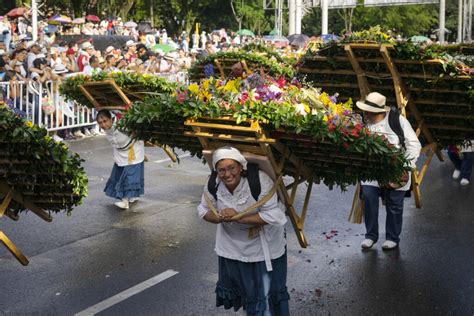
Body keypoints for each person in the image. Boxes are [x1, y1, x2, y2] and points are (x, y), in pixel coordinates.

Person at [197, 146, 290, 315]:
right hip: (232, 249)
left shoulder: (259, 181)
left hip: (263, 249)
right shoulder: (213, 183)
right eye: (221, 170)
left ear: (241, 167)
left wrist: (238, 217)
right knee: (250, 296)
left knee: (266, 296)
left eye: (232, 168)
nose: (227, 174)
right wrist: (217, 217)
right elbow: (203, 210)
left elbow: (276, 216)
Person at [357, 92, 421, 250]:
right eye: (365, 111)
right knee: (368, 197)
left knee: (394, 204)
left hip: (395, 169)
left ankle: (392, 237)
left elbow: (414, 145)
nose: (365, 115)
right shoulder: (363, 123)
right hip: (372, 170)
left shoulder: (397, 121)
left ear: (379, 112)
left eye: (368, 112)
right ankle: (371, 236)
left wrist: (403, 167)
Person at [96, 109, 145, 210]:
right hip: (120, 153)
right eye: (100, 123)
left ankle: (125, 201)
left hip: (133, 150)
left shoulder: (122, 124)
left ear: (111, 119)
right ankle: (132, 195)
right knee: (119, 174)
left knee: (128, 175)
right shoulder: (107, 130)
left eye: (105, 121)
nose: (103, 125)